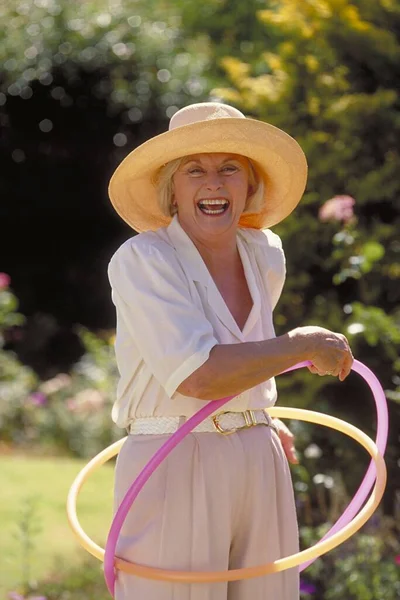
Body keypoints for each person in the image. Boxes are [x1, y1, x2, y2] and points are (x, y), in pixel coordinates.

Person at [107, 102, 354, 600]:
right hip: (172, 459)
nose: (213, 184)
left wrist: (255, 414)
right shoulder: (144, 260)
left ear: (250, 184)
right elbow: (198, 376)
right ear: (172, 189)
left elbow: (243, 353)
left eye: (229, 169)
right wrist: (300, 346)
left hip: (257, 457)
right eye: (194, 171)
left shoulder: (265, 254)